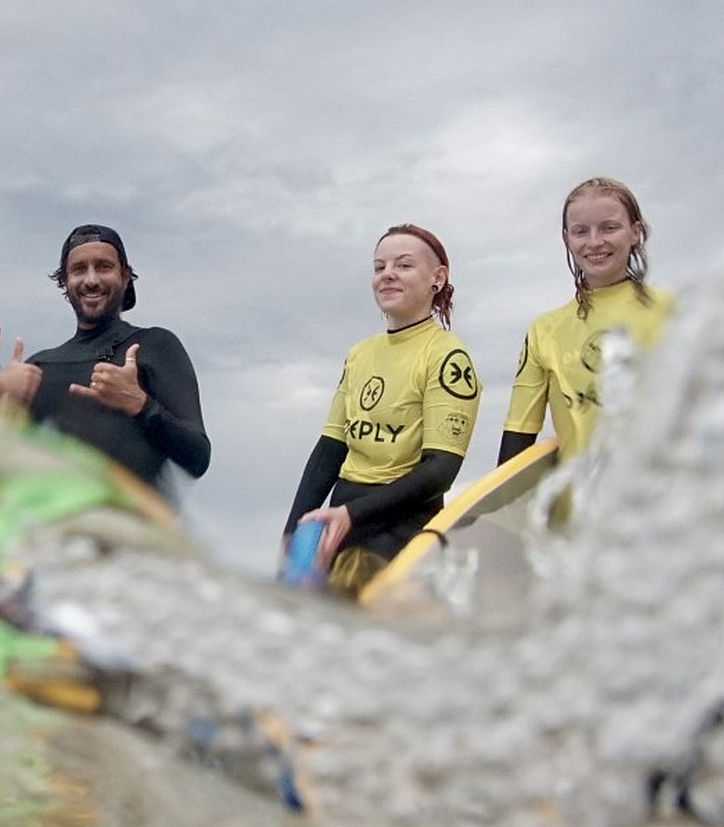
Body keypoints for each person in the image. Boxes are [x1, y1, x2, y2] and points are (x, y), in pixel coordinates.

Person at [283, 224, 482, 595]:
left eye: (403, 265)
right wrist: (293, 529)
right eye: (379, 267)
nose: (388, 274)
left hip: (402, 525)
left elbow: (440, 470)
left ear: (437, 278)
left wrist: (353, 514)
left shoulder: (447, 356)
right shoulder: (360, 354)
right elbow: (331, 448)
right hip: (339, 520)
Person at [0, 225, 209, 494]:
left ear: (125, 276)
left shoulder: (155, 346)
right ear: (65, 281)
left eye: (104, 267)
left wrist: (140, 405)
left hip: (134, 519)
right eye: (79, 269)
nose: (91, 280)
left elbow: (198, 457)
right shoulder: (38, 369)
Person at [497, 176, 673, 464]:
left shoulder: (672, 311)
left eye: (609, 228)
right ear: (566, 238)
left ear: (636, 233)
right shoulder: (545, 331)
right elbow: (517, 438)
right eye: (581, 231)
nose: (594, 242)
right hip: (579, 493)